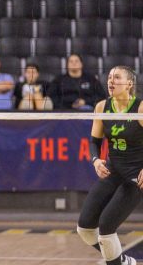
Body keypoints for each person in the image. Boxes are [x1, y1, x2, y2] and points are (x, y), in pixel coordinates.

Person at [77, 66, 139, 265]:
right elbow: (94, 141)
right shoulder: (102, 107)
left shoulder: (140, 108)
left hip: (135, 177)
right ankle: (121, 260)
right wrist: (95, 160)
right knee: (85, 228)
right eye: (110, 77)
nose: (111, 81)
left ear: (129, 84)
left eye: (117, 77)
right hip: (113, 171)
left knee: (105, 227)